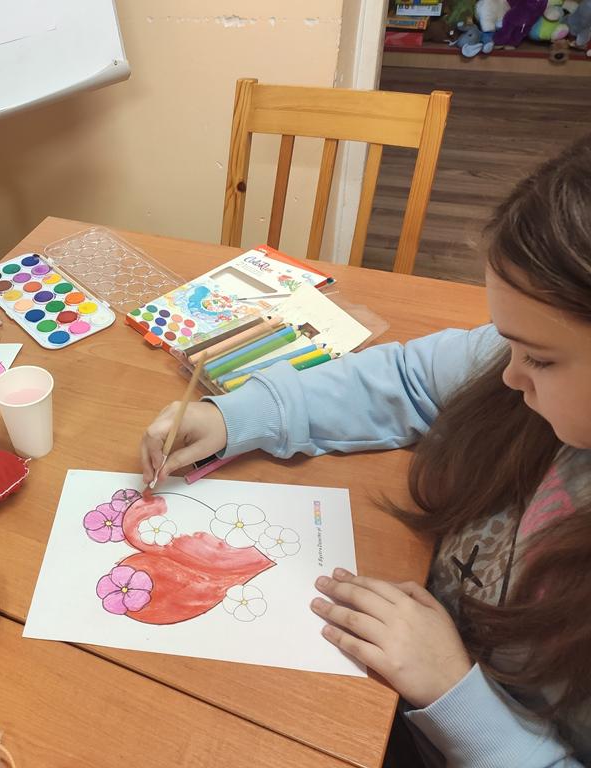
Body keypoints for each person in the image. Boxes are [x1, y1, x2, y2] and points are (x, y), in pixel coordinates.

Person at [141, 138, 591, 765]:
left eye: (538, 359)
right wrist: (234, 416)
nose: (509, 374)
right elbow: (409, 378)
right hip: (398, 669)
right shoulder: (522, 363)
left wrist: (456, 695)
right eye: (506, 342)